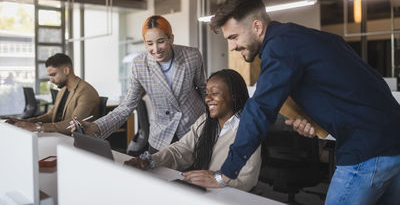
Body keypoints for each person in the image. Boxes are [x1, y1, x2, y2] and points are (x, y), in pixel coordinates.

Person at [199, 0, 400, 204]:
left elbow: (259, 109)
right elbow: (359, 83)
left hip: (367, 149)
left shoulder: (279, 47)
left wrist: (227, 173)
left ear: (257, 27)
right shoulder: (302, 37)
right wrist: (312, 119)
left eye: (234, 37)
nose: (231, 47)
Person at [72, 15, 206, 153]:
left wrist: (215, 124)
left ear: (171, 38)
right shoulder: (140, 64)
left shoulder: (192, 55)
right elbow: (126, 106)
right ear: (144, 43)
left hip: (194, 129)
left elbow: (204, 90)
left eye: (161, 41)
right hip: (162, 135)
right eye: (149, 43)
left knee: (195, 174)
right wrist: (95, 126)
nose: (156, 49)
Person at [124, 69, 261, 192]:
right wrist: (150, 160)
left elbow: (246, 180)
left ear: (234, 95)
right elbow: (182, 150)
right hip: (204, 192)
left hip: (229, 196)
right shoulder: (205, 121)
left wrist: (216, 178)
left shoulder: (248, 128)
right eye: (207, 94)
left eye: (214, 94)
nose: (207, 99)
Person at [7, 53, 99, 135]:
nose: (51, 80)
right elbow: (51, 115)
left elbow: (74, 124)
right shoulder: (63, 90)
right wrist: (26, 122)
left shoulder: (86, 92)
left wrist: (37, 127)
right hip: (59, 136)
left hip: (75, 143)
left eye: (53, 75)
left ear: (66, 70)